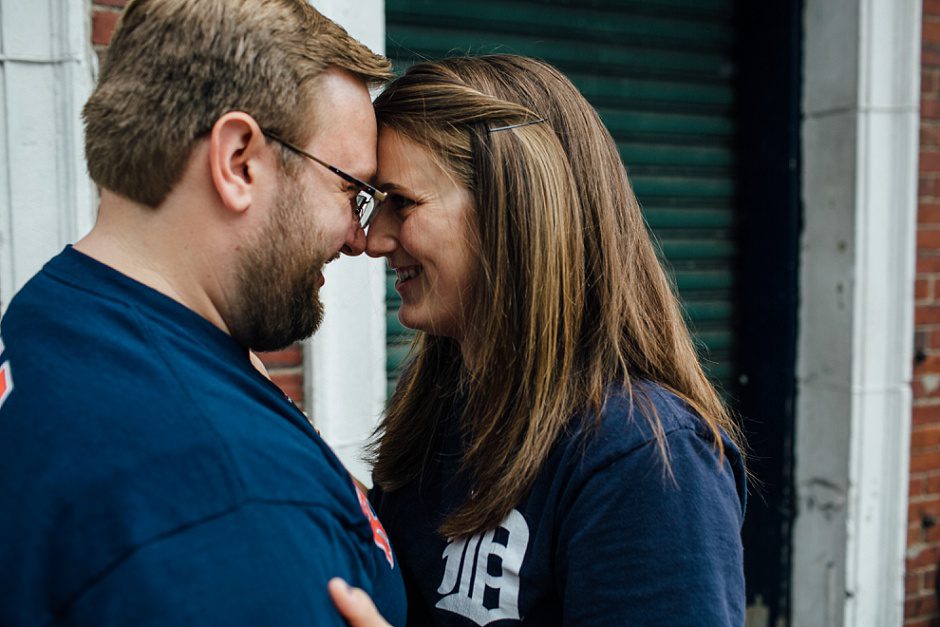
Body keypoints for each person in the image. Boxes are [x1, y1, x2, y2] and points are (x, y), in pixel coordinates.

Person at [0, 1, 405, 625]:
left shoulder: (59, 312)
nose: (360, 238)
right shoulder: (229, 509)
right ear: (239, 160)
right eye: (351, 189)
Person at [352, 54, 748, 625]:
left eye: (403, 202)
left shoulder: (645, 458)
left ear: (513, 210)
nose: (373, 240)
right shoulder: (438, 402)